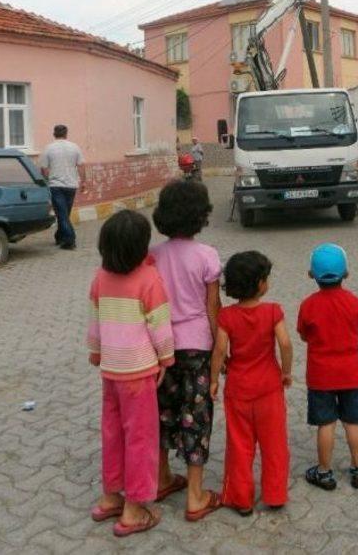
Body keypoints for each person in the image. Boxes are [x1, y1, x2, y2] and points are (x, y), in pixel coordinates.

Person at [87, 210, 175, 538]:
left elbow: (95, 321)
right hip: (139, 374)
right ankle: (134, 508)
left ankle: (111, 496)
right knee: (140, 439)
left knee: (112, 433)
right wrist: (166, 359)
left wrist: (95, 352)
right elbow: (160, 326)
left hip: (110, 371)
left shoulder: (100, 278)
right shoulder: (149, 279)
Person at [151, 180, 222, 522]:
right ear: (201, 215)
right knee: (196, 417)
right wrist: (222, 351)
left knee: (162, 413)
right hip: (197, 348)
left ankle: (162, 478)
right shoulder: (207, 255)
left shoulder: (153, 255)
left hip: (159, 348)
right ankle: (196, 495)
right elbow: (213, 308)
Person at [210, 251, 292, 515]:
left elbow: (220, 351)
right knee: (274, 443)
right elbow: (286, 343)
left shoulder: (227, 317)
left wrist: (213, 380)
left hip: (238, 388)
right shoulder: (272, 311)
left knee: (239, 445)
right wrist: (286, 372)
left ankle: (241, 499)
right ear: (260, 283)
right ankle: (276, 495)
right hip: (269, 387)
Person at [297, 243, 358, 491]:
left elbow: (304, 336)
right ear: (346, 274)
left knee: (326, 424)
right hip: (351, 374)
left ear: (311, 275)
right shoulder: (354, 302)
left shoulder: (308, 305)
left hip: (320, 376)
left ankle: (325, 472)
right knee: (353, 422)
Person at [40, 124, 85, 250]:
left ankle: (70, 240)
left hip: (56, 185)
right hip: (71, 185)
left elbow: (44, 168)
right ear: (66, 134)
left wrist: (46, 179)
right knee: (64, 213)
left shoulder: (49, 148)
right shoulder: (74, 147)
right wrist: (84, 182)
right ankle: (59, 237)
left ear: (54, 134)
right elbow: (81, 165)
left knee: (62, 214)